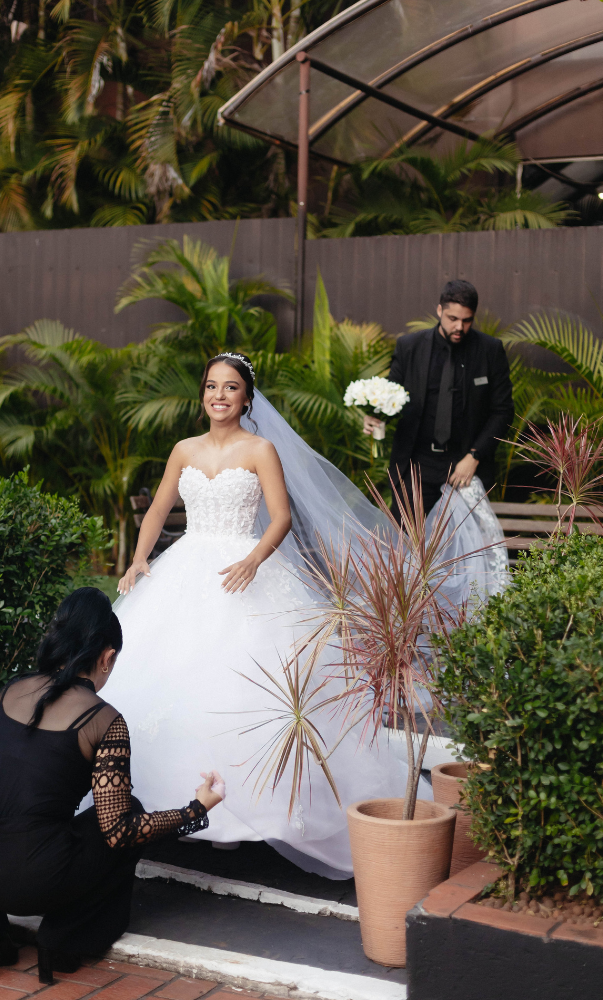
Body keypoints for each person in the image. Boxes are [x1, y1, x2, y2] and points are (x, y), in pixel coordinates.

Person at [90, 352, 467, 881]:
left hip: (246, 571)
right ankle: (177, 803)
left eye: (230, 388)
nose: (219, 395)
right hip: (186, 568)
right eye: (211, 386)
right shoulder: (183, 449)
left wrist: (253, 558)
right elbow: (157, 510)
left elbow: (282, 516)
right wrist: (137, 560)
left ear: (247, 398)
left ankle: (248, 811)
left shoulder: (260, 448)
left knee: (248, 685)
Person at [0, 588, 224, 981]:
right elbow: (119, 833)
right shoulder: (104, 720)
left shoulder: (10, 692)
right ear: (106, 657)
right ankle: (63, 940)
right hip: (29, 881)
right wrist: (195, 810)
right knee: (127, 812)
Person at [364, 280, 514, 520]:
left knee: (462, 550)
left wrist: (474, 456)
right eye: (452, 318)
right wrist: (374, 417)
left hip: (464, 466)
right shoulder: (409, 346)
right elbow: (391, 397)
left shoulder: (490, 350)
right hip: (416, 465)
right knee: (404, 544)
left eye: (466, 320)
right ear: (439, 310)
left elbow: (503, 412)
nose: (459, 327)